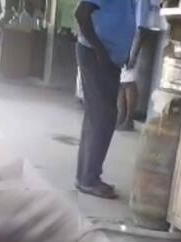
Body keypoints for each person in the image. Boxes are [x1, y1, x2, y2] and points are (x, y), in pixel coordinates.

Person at [75, 0, 137, 199]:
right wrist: (100, 49)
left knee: (97, 116)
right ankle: (89, 179)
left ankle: (86, 177)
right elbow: (81, 14)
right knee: (103, 116)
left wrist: (123, 52)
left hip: (109, 58)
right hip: (97, 56)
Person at [117, 0, 162, 131]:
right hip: (129, 34)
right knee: (121, 80)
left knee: (128, 80)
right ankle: (121, 116)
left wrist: (134, 53)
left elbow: (141, 26)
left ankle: (128, 119)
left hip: (136, 35)